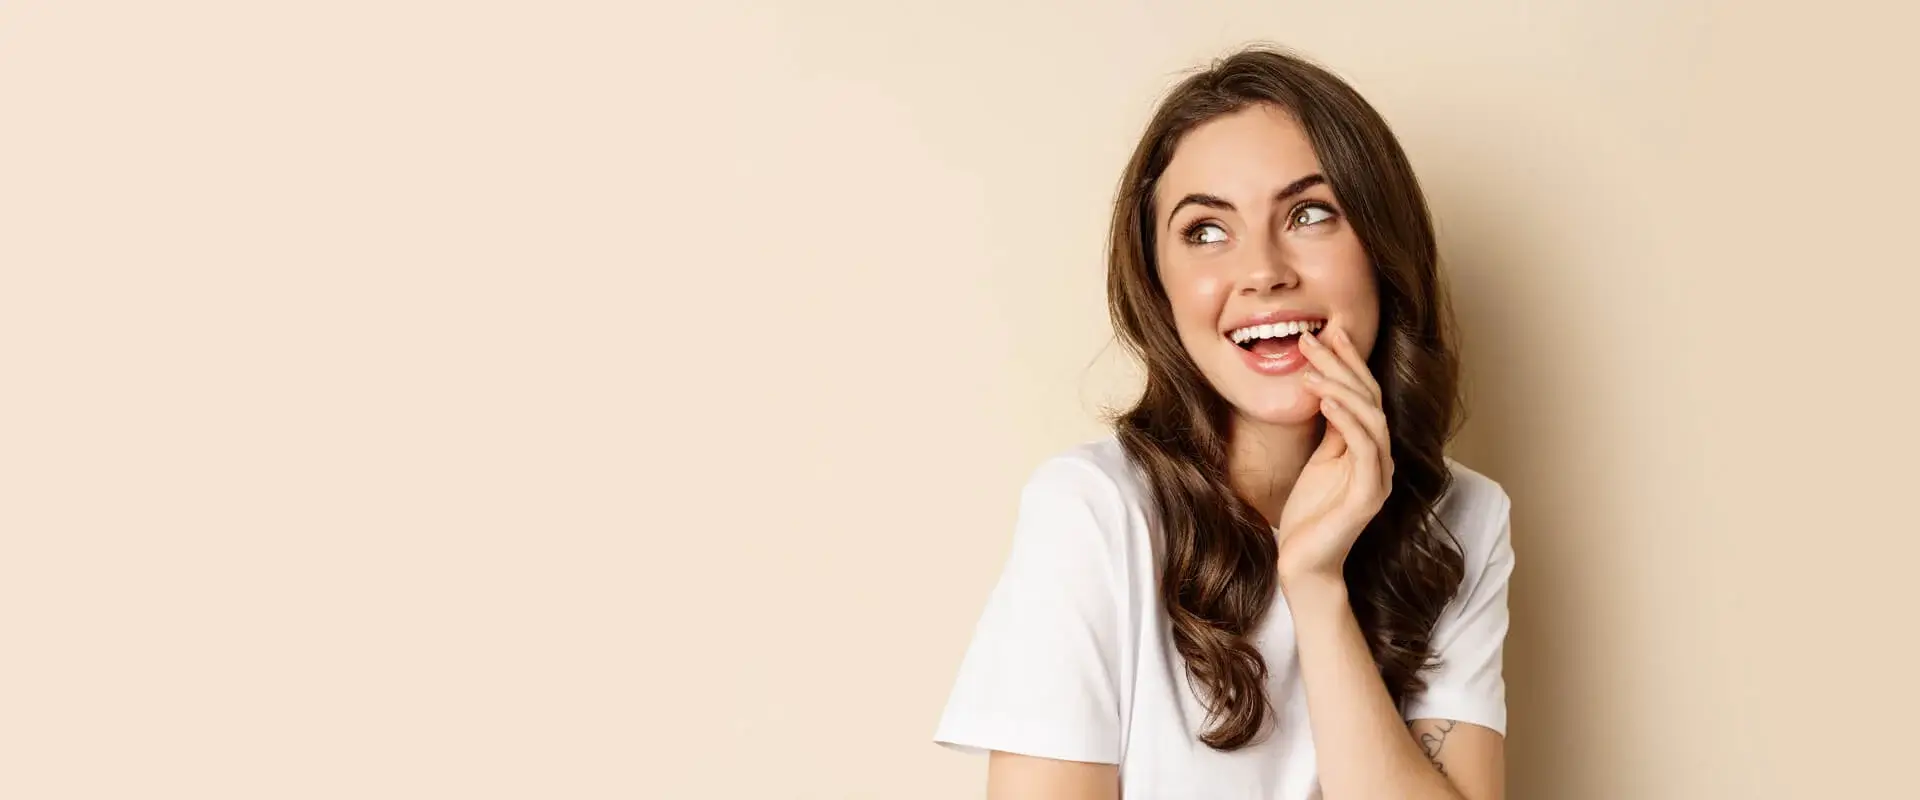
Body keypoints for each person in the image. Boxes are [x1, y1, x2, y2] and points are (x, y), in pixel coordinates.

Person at [933, 44, 1514, 800]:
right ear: (1159, 285)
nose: (1264, 272)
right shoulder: (1093, 513)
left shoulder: (1462, 519)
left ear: (1383, 250)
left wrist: (1315, 585)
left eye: (1310, 214)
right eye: (1206, 231)